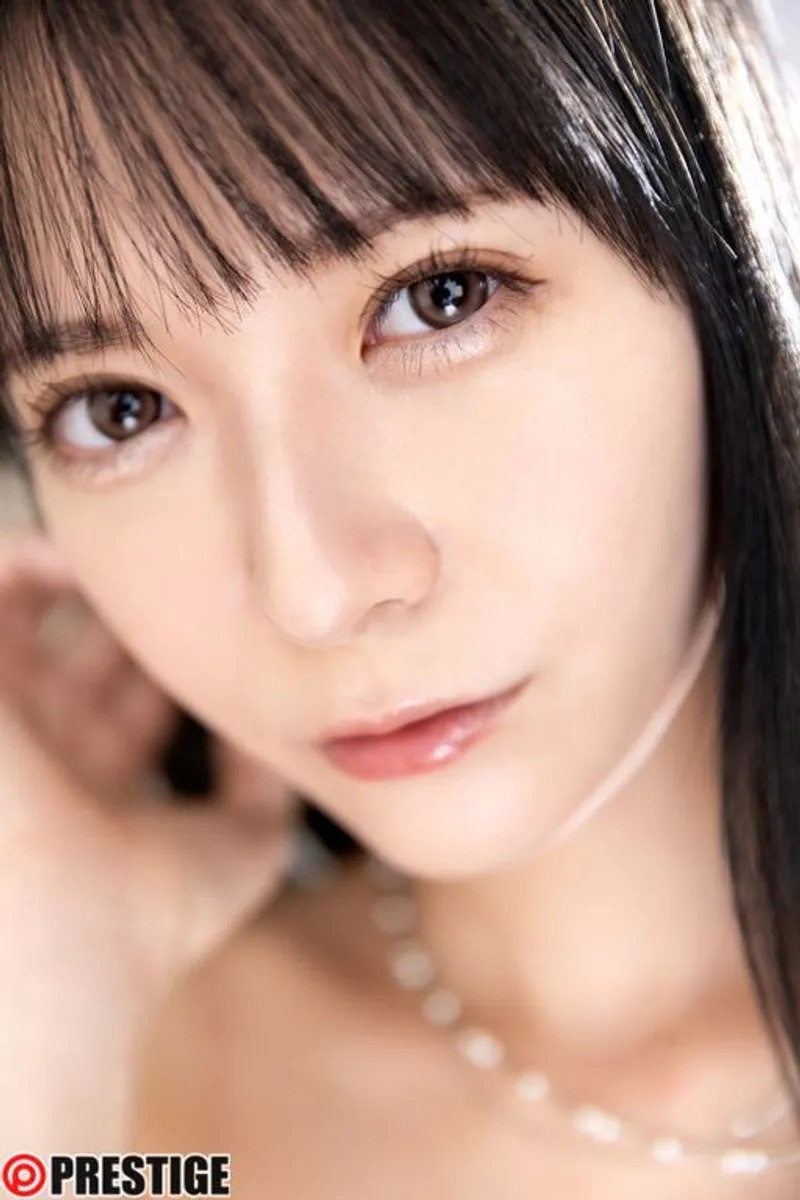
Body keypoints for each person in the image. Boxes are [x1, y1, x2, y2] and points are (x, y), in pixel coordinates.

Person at [0, 0, 798, 1194]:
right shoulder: (124, 1109)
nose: (313, 594)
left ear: (724, 235)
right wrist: (49, 1038)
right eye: (118, 411)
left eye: (441, 297)